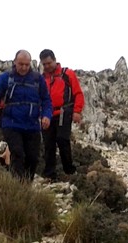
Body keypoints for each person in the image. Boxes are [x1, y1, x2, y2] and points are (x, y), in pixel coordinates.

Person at [0, 50, 52, 181]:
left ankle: (26, 186)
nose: (24, 67)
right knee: (17, 153)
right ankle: (18, 185)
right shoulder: (5, 78)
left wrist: (47, 116)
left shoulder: (37, 79)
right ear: (14, 62)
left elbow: (46, 100)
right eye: (21, 64)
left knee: (33, 158)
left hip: (32, 126)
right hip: (11, 124)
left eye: (27, 64)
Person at [39, 49, 85, 182]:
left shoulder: (67, 74)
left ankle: (69, 171)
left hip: (64, 113)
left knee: (62, 140)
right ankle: (49, 174)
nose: (47, 66)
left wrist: (77, 111)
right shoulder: (42, 79)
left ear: (54, 60)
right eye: (44, 64)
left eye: (49, 63)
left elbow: (78, 93)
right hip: (47, 115)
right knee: (48, 144)